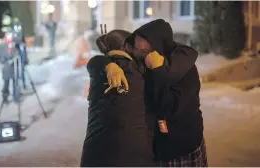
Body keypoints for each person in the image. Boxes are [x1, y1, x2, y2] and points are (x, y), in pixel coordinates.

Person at [101, 19, 208, 167]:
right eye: (136, 48)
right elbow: (113, 58)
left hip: (181, 145)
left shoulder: (185, 70)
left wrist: (157, 71)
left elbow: (166, 107)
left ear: (159, 48)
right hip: (154, 147)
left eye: (144, 51)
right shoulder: (139, 58)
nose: (138, 54)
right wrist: (109, 65)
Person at [80, 30, 155, 167]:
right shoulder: (143, 72)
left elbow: (93, 62)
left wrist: (106, 64)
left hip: (95, 155)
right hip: (137, 156)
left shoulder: (98, 72)